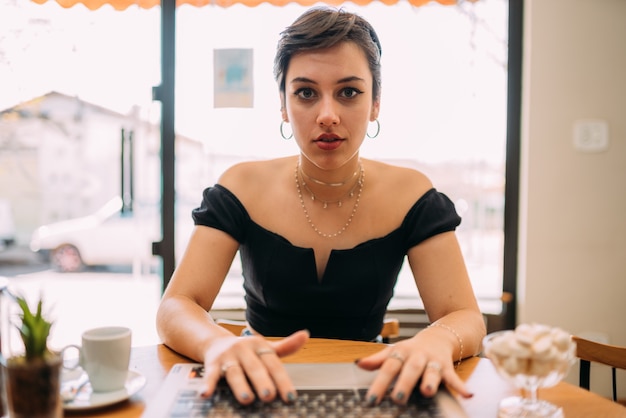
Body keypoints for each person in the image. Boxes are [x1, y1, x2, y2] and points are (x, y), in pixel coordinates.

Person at [156, 6, 486, 407]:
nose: (327, 116)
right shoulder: (240, 186)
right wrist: (214, 344)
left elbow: (466, 317)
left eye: (348, 92)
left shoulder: (412, 195)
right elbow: (175, 305)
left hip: (370, 388)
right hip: (254, 384)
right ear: (283, 104)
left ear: (376, 103)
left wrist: (437, 339)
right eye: (306, 93)